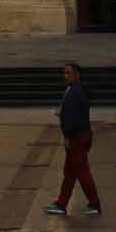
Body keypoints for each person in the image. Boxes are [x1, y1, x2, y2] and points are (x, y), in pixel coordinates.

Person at [46, 61, 102, 217]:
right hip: (80, 134)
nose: (65, 76)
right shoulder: (76, 89)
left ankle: (94, 203)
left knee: (82, 172)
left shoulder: (75, 91)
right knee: (70, 172)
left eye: (68, 73)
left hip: (77, 137)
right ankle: (61, 203)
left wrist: (68, 136)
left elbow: (73, 116)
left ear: (77, 74)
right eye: (64, 73)